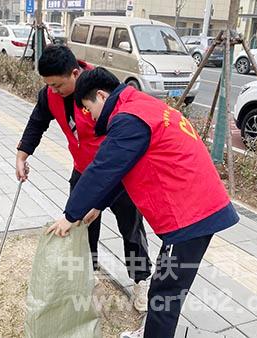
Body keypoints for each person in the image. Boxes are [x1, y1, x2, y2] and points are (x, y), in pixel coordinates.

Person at [47, 67, 239, 338]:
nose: (89, 117)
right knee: (165, 279)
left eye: (88, 109)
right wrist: (98, 206)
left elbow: (103, 168)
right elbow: (123, 170)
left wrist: (70, 215)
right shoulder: (141, 105)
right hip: (195, 206)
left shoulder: (128, 119)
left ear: (101, 96)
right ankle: (150, 331)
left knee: (165, 293)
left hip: (192, 213)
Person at [16, 46, 153, 311]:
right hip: (83, 172)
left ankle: (141, 281)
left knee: (131, 229)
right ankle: (88, 277)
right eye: (49, 86)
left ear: (75, 73)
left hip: (119, 174)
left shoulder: (100, 88)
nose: (54, 91)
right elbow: (36, 122)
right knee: (81, 229)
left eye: (58, 85)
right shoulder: (50, 95)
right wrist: (22, 155)